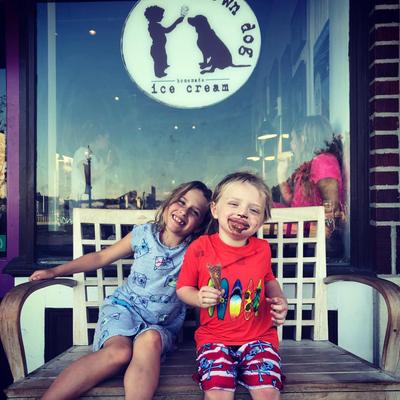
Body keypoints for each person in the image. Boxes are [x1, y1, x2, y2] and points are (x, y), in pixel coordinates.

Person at [29, 180, 212, 400]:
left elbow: (210, 283)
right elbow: (101, 257)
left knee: (150, 340)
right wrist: (55, 271)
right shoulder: (144, 234)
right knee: (119, 352)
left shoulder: (197, 251)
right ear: (171, 200)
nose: (183, 211)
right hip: (123, 309)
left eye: (194, 211)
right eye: (181, 201)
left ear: (200, 225)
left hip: (160, 325)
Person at [176, 172, 288, 400]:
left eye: (254, 210)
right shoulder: (201, 247)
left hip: (259, 338)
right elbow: (183, 288)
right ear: (215, 210)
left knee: (267, 392)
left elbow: (269, 280)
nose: (242, 212)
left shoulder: (262, 249)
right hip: (214, 338)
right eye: (234, 204)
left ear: (262, 220)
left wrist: (280, 299)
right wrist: (198, 298)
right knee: (218, 392)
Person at [276, 115, 346, 257]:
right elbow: (294, 204)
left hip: (311, 236)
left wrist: (322, 242)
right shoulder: (312, 163)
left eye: (292, 138)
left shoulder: (323, 161)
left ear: (303, 138)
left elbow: (331, 208)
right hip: (303, 230)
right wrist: (281, 177)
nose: (291, 144)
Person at [144, 5, 184, 78]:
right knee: (158, 61)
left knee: (162, 58)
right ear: (155, 16)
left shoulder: (154, 25)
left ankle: (162, 68)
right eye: (161, 15)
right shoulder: (155, 26)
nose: (162, 17)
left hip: (160, 47)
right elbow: (167, 30)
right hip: (157, 48)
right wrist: (176, 22)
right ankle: (159, 73)